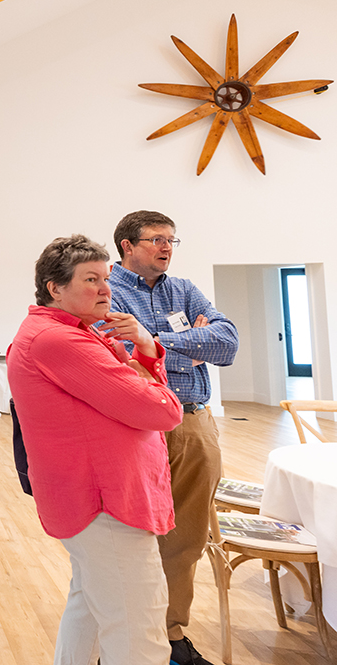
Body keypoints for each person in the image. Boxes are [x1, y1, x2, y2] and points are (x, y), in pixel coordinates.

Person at [8, 234, 183, 665]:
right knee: (138, 631)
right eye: (91, 279)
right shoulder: (60, 340)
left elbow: (139, 391)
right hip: (105, 504)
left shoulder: (72, 333)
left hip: (98, 501)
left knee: (88, 610)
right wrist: (150, 379)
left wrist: (145, 350)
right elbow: (161, 410)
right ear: (55, 288)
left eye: (105, 278)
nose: (106, 289)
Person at [108, 211, 239, 665]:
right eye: (156, 239)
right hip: (138, 426)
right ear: (127, 245)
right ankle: (123, 637)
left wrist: (153, 340)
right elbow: (118, 355)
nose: (166, 247)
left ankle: (171, 634)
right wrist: (189, 344)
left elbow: (227, 343)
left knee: (187, 536)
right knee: (130, 535)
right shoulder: (106, 291)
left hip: (194, 422)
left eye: (171, 240)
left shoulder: (183, 289)